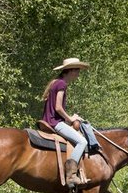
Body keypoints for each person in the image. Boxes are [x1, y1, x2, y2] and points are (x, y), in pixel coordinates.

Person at [41, 57, 102, 186]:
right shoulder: (62, 84)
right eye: (77, 70)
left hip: (49, 120)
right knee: (82, 141)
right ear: (71, 71)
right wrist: (70, 118)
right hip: (54, 122)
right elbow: (58, 107)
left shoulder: (55, 82)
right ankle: (71, 175)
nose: (79, 74)